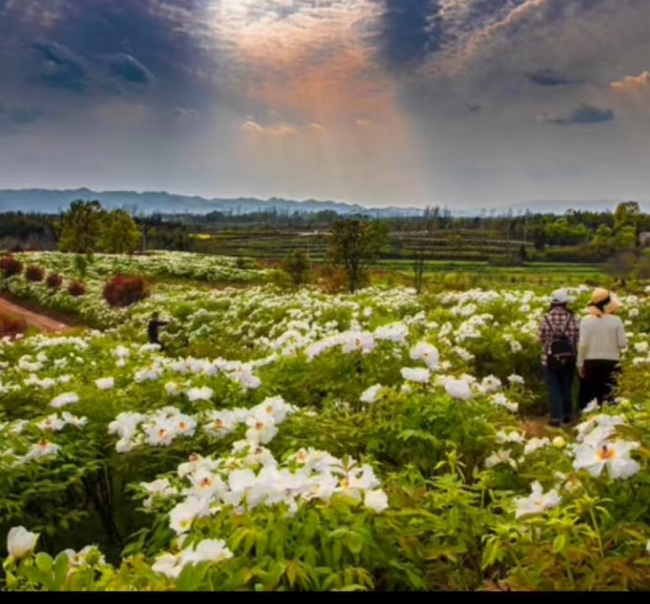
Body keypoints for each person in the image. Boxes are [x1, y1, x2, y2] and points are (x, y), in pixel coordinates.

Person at [577, 288, 627, 410]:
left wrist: (580, 363)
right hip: (612, 362)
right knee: (609, 397)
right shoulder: (616, 320)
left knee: (591, 399)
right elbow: (623, 344)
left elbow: (582, 344)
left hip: (591, 362)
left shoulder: (586, 320)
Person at [539, 289, 580, 427]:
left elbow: (541, 339)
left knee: (554, 388)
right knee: (567, 387)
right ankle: (567, 417)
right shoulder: (573, 318)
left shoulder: (545, 318)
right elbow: (577, 338)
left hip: (549, 359)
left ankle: (555, 418)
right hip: (569, 358)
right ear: (565, 303)